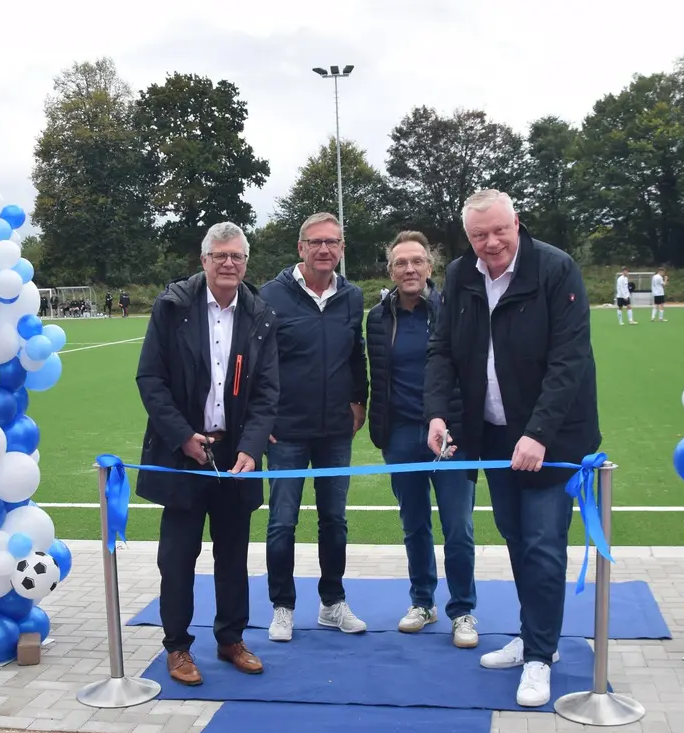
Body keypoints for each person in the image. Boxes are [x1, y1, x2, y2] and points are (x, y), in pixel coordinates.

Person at [425, 188, 600, 708]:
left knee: (545, 546)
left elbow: (570, 360)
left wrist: (540, 433)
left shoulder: (555, 269)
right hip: (496, 438)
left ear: (517, 223)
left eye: (499, 230)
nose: (491, 242)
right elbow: (442, 350)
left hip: (554, 440)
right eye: (479, 234)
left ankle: (541, 658)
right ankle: (531, 635)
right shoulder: (460, 275)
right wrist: (437, 411)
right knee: (518, 541)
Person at [134, 222, 280, 686]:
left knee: (233, 556)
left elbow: (267, 392)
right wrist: (182, 436)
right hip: (184, 454)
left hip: (234, 457)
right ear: (204, 260)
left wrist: (252, 449)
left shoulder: (259, 314)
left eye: (236, 256)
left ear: (245, 262)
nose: (228, 263)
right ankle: (177, 647)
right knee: (177, 557)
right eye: (219, 255)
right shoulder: (172, 306)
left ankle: (231, 638)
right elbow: (150, 380)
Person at [258, 211, 369, 642]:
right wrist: (260, 417)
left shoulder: (353, 296)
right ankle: (282, 607)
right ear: (300, 248)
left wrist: (359, 400)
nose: (325, 250)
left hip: (335, 431)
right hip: (285, 429)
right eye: (316, 242)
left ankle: (332, 603)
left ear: (341, 249)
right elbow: (256, 363)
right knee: (282, 522)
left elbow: (356, 353)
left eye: (333, 242)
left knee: (334, 521)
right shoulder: (270, 295)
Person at [367, 231, 478, 648]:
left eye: (417, 261)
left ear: (430, 267)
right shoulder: (378, 317)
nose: (409, 269)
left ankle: (463, 610)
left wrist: (457, 422)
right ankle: (423, 601)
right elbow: (377, 375)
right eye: (400, 263)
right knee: (414, 525)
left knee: (458, 528)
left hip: (451, 436)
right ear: (391, 270)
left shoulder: (453, 310)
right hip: (400, 436)